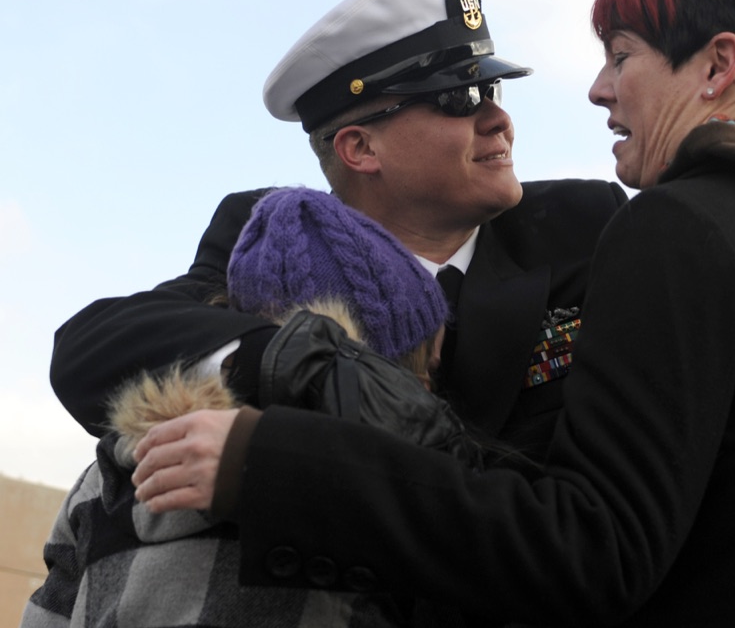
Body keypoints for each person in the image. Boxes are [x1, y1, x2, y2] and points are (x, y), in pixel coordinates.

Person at [132, 0, 735, 625]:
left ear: (716, 67)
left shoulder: (671, 226)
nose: (596, 88)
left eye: (621, 55)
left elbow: (592, 552)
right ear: (358, 149)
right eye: (461, 97)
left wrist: (278, 461)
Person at [50, 0, 735, 474]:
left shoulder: (588, 228)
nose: (498, 117)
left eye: (493, 86)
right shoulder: (267, 236)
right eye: (457, 98)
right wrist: (282, 355)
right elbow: (88, 347)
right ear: (358, 149)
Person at [24, 186, 478, 627]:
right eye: (424, 366)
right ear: (371, 364)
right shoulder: (364, 487)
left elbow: (50, 612)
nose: (427, 386)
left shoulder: (105, 472)